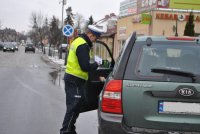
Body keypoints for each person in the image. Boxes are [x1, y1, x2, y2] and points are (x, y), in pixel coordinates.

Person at [60, 24, 105, 134]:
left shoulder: (78, 41)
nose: (95, 40)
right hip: (74, 80)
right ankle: (65, 131)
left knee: (75, 107)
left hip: (74, 79)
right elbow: (85, 66)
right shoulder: (83, 45)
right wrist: (96, 64)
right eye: (95, 37)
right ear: (90, 34)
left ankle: (70, 129)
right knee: (73, 108)